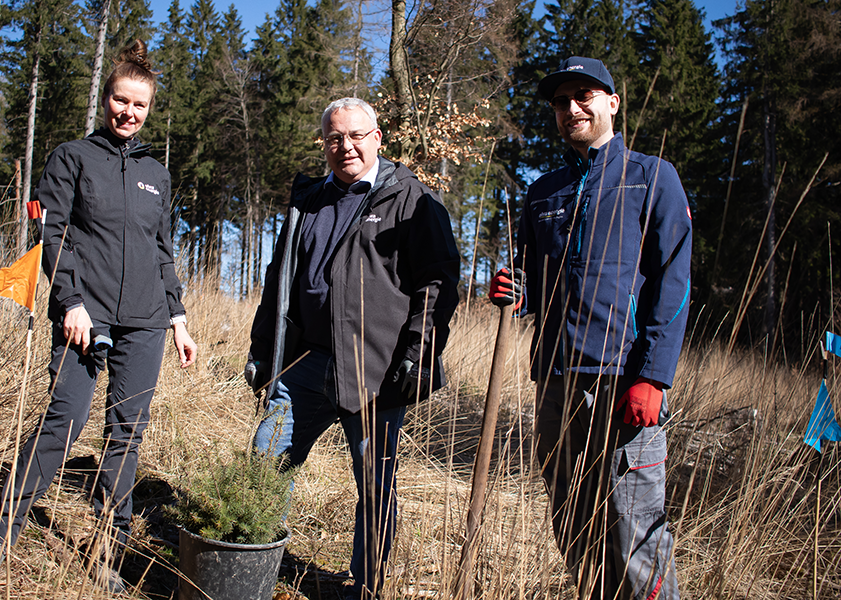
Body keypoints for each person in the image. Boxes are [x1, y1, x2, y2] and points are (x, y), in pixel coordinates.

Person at [0, 40, 197, 593]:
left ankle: (109, 551)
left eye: (139, 106)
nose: (128, 113)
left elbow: (163, 251)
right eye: (120, 101)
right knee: (63, 423)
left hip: (146, 322)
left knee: (126, 435)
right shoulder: (72, 157)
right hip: (84, 317)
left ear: (149, 111)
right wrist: (70, 302)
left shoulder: (155, 176)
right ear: (106, 99)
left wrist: (178, 318)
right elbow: (53, 234)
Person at [489, 57, 690, 599]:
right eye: (561, 101)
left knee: (635, 529)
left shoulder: (650, 178)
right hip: (555, 380)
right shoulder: (543, 193)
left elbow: (674, 283)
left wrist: (654, 375)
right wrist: (515, 290)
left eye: (584, 96)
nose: (571, 108)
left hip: (622, 382)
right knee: (572, 520)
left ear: (612, 103)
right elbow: (533, 284)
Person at [245, 97, 460, 599]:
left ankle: (367, 587)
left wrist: (418, 352)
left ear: (378, 138)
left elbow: (437, 282)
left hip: (373, 368)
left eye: (357, 135)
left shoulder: (409, 199)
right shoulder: (309, 199)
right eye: (335, 138)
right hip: (303, 362)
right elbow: (280, 280)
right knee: (265, 462)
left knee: (375, 485)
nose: (346, 146)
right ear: (324, 143)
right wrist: (263, 349)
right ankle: (251, 572)